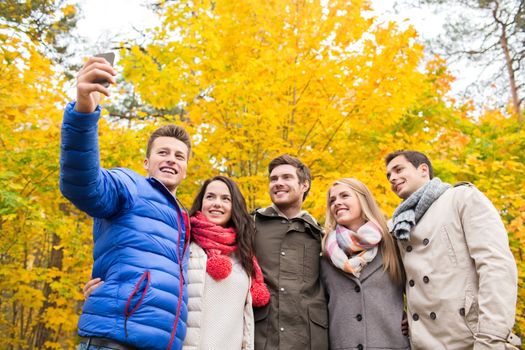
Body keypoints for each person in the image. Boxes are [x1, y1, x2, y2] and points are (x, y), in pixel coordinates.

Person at [60, 56, 191, 350]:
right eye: (163, 152)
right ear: (147, 161)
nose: (171, 159)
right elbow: (82, 184)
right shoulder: (130, 186)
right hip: (114, 341)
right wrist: (84, 110)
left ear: (185, 169)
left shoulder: (184, 220)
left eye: (179, 156)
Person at [84, 176, 271, 350]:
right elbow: (148, 276)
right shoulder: (182, 243)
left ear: (235, 205)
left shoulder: (244, 254)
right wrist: (107, 293)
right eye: (210, 197)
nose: (217, 203)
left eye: (225, 198)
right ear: (201, 203)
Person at [385, 150, 520, 349]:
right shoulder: (398, 226)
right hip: (424, 343)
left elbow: (496, 265)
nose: (392, 178)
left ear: (423, 170)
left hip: (473, 339)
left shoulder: (461, 197)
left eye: (398, 169)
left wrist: (491, 337)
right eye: (388, 175)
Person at [320, 178, 409, 350]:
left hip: (393, 344)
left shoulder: (392, 244)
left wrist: (415, 319)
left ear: (363, 200)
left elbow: (419, 290)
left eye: (344, 196)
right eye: (332, 200)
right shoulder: (325, 254)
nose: (337, 202)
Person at [252, 155, 329, 350]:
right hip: (262, 337)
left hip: (310, 340)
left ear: (304, 185)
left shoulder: (322, 236)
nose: (278, 183)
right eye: (274, 179)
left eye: (286, 177)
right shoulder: (250, 224)